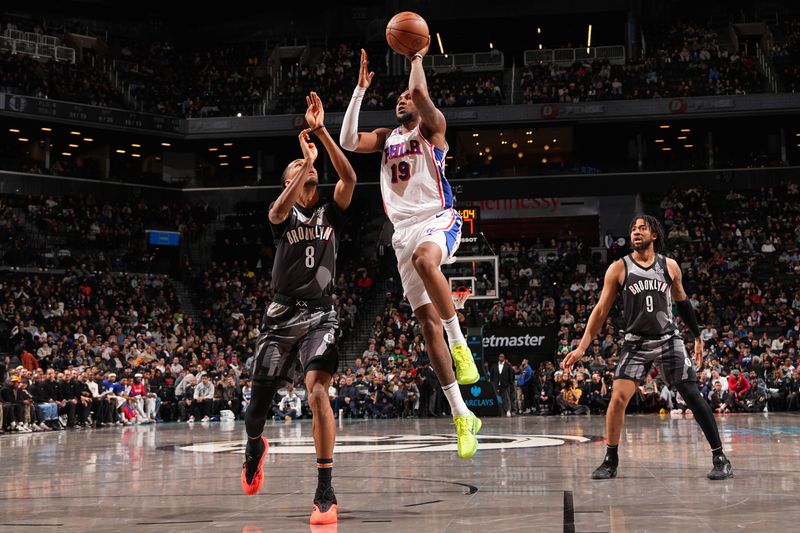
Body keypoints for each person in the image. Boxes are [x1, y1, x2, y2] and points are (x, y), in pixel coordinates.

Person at [340, 47, 481, 458]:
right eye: (397, 97)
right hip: (402, 233)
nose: (402, 99)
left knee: (425, 259)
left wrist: (416, 58)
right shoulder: (387, 139)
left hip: (438, 218)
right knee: (425, 325)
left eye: (407, 96)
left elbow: (420, 95)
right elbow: (349, 139)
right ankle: (461, 414)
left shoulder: (432, 129)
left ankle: (461, 345)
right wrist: (359, 91)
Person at [241, 92, 356, 526]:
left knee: (318, 391)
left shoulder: (331, 213)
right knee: (257, 409)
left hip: (320, 314)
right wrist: (303, 164)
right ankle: (255, 446)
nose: (305, 171)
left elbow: (349, 178)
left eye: (308, 170)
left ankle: (325, 488)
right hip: (279, 317)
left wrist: (323, 134)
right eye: (297, 169)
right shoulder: (282, 217)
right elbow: (276, 207)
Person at [564, 215, 733, 480]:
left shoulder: (670, 266)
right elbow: (600, 311)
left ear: (654, 235)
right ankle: (610, 459)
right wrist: (582, 347)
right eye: (633, 228)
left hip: (668, 338)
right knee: (618, 398)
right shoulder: (619, 268)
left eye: (642, 228)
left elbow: (684, 303)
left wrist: (698, 337)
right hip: (636, 341)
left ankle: (720, 456)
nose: (636, 232)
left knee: (690, 392)